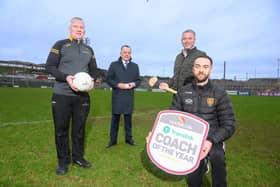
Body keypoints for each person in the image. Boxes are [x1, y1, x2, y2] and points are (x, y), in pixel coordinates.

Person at [169, 55, 236, 187]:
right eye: (197, 66)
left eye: (205, 67)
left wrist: (211, 141)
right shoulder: (182, 92)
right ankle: (201, 166)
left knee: (218, 158)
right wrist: (155, 135)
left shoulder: (220, 93)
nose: (201, 70)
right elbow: (172, 117)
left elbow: (229, 124)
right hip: (190, 139)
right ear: (193, 69)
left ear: (210, 69)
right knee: (193, 179)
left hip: (213, 139)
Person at [45, 17, 98, 175]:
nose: (79, 29)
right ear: (70, 28)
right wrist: (66, 77)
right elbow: (49, 66)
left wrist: (93, 81)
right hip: (62, 94)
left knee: (79, 130)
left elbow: (94, 70)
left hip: (82, 97)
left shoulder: (89, 50)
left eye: (82, 27)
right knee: (61, 130)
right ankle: (63, 161)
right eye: (76, 26)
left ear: (85, 30)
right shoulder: (60, 45)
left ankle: (78, 157)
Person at [105, 45, 141, 148]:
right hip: (117, 96)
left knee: (128, 121)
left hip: (129, 97)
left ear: (131, 54)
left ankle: (129, 139)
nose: (127, 54)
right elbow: (109, 79)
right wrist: (118, 85)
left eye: (129, 53)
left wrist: (134, 84)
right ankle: (112, 140)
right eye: (125, 52)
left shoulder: (135, 66)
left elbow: (138, 80)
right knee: (115, 120)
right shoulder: (114, 65)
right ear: (120, 53)